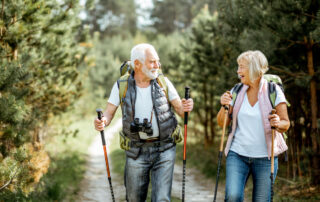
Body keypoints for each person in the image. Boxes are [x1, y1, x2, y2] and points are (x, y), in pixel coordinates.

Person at [94, 43, 193, 202]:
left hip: (165, 148)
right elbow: (108, 113)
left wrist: (187, 106)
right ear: (137, 64)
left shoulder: (164, 82)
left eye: (158, 61)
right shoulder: (122, 85)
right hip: (136, 150)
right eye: (152, 61)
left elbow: (181, 110)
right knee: (134, 199)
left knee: (161, 199)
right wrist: (102, 121)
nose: (157, 65)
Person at [217, 50, 290, 202]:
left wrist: (277, 123)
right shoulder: (236, 91)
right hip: (237, 154)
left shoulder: (273, 91)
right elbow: (221, 122)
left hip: (265, 158)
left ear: (254, 68)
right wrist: (224, 105)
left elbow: (286, 123)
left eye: (242, 67)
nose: (238, 71)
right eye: (238, 67)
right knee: (232, 197)